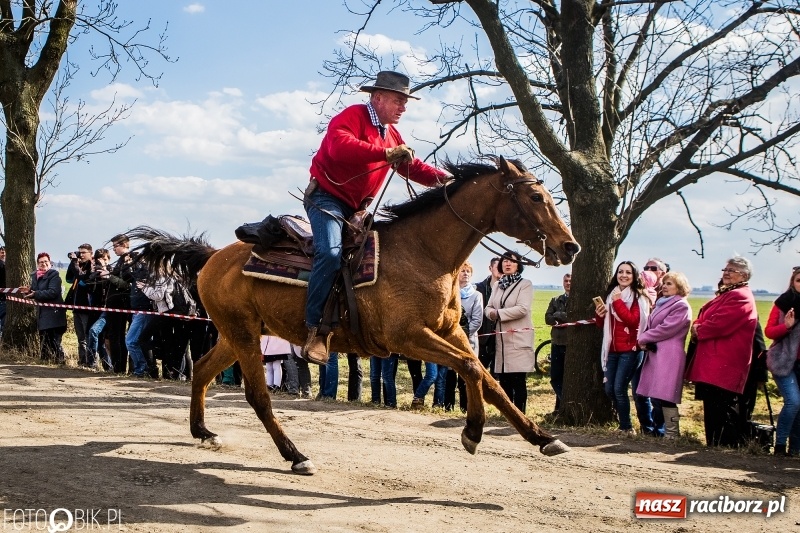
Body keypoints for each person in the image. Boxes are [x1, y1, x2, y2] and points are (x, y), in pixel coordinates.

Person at [302, 70, 448, 364]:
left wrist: (447, 181)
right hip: (327, 199)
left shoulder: (391, 134)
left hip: (356, 211)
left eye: (405, 102)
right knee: (330, 255)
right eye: (398, 100)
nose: (403, 108)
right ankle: (315, 330)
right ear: (378, 98)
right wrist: (387, 154)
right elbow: (339, 147)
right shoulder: (352, 116)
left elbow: (411, 167)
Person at [685, 256, 758, 447]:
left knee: (721, 408)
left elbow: (719, 324)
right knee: (712, 406)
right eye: (725, 269)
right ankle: (714, 444)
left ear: (743, 275)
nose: (726, 273)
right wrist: (699, 325)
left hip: (724, 363)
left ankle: (723, 448)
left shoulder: (740, 296)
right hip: (713, 362)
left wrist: (698, 329)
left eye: (731, 270)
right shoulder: (728, 293)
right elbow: (704, 317)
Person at [595, 260, 650, 435]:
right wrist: (599, 316)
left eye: (628, 272)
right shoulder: (612, 294)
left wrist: (618, 303)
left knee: (619, 388)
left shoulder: (638, 297)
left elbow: (634, 321)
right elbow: (603, 325)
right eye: (620, 272)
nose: (623, 275)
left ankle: (626, 427)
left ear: (634, 276)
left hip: (630, 349)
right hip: (612, 349)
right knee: (609, 389)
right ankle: (624, 421)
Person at [635, 272, 692, 438]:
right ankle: (658, 431)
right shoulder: (662, 303)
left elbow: (666, 328)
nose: (665, 286)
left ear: (679, 288)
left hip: (669, 355)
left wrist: (644, 337)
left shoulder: (681, 305)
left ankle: (672, 432)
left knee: (666, 397)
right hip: (657, 354)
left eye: (669, 284)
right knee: (656, 396)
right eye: (664, 283)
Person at [485, 251, 535, 413]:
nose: (507, 264)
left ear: (518, 265)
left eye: (512, 261)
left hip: (518, 340)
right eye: (505, 261)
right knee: (504, 380)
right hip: (502, 343)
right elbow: (488, 307)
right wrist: (490, 313)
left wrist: (498, 314)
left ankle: (520, 413)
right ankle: (507, 413)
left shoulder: (525, 284)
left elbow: (522, 309)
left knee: (518, 380)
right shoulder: (497, 285)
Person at [764, 267, 800, 456]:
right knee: (793, 402)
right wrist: (786, 327)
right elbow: (769, 331)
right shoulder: (784, 303)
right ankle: (779, 445)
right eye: (799, 280)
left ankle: (795, 450)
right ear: (792, 282)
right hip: (784, 360)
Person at [445, 261, 483, 412]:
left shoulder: (476, 295)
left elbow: (477, 320)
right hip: (450, 340)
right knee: (449, 375)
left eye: (468, 271)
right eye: (463, 271)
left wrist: (462, 333)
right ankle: (447, 405)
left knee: (465, 375)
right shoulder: (450, 293)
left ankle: (465, 407)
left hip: (469, 341)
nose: (465, 274)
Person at [21, 253, 67, 363]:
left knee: (54, 342)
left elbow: (52, 292)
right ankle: (45, 363)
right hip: (42, 315)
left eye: (46, 261)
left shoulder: (54, 275)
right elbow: (34, 291)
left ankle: (60, 363)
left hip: (54, 315)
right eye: (41, 262)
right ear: (37, 264)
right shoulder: (35, 276)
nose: (44, 264)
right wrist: (28, 291)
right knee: (44, 341)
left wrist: (35, 294)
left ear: (50, 263)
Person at [103, 234, 135, 374]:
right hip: (117, 303)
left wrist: (109, 276)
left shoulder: (129, 260)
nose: (114, 249)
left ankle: (120, 368)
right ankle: (119, 367)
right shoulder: (122, 260)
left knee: (118, 336)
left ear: (124, 245)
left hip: (121, 304)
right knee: (117, 336)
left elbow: (127, 282)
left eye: (115, 246)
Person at [65, 243, 96, 367]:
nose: (81, 255)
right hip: (76, 306)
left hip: (87, 307)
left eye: (83, 252)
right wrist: (73, 262)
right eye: (79, 252)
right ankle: (82, 362)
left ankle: (91, 362)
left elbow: (82, 278)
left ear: (91, 253)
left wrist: (74, 262)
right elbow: (69, 279)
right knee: (80, 338)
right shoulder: (79, 265)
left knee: (87, 336)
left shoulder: (92, 266)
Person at [544, 272, 570, 413]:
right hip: (557, 342)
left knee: (567, 378)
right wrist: (556, 317)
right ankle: (561, 406)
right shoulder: (556, 300)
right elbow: (547, 318)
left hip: (570, 344)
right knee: (555, 377)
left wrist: (559, 315)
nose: (568, 283)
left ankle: (562, 406)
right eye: (566, 280)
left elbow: (574, 317)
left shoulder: (578, 300)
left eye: (571, 280)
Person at [475, 257, 501, 371]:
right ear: (490, 268)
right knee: (480, 369)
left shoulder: (506, 288)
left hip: (500, 336)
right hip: (483, 335)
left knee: (497, 372)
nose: (500, 270)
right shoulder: (479, 288)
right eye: (497, 267)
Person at [0, 245, 6, 338]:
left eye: (5, 252)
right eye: (1, 252)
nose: (3, 254)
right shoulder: (2, 265)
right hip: (2, 298)